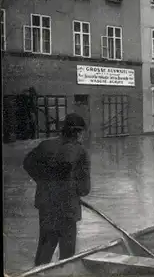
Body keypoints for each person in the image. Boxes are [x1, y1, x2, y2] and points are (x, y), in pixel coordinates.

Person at [23, 113, 91, 266]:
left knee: (44, 250)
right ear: (79, 133)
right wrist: (74, 190)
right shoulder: (81, 152)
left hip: (46, 206)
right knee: (67, 256)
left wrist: (42, 180)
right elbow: (85, 189)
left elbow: (27, 163)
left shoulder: (45, 145)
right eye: (82, 133)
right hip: (67, 209)